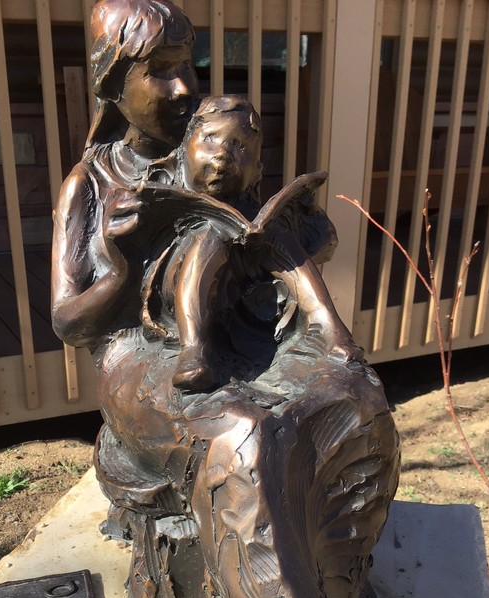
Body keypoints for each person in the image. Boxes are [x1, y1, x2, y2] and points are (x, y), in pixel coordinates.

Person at [51, 1, 421, 598]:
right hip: (138, 361)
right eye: (162, 72)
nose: (186, 86)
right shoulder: (94, 179)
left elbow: (294, 237)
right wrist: (117, 265)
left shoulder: (206, 145)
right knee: (244, 442)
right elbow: (68, 319)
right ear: (114, 83)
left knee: (353, 397)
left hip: (241, 331)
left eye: (191, 65)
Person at [137, 93, 362, 391]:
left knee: (276, 237)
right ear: (182, 153)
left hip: (244, 296)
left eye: (239, 146)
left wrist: (306, 213)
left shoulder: (250, 211)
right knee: (211, 234)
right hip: (181, 278)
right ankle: (194, 348)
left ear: (257, 170)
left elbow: (325, 244)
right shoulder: (166, 191)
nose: (222, 154)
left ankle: (329, 327)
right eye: (210, 139)